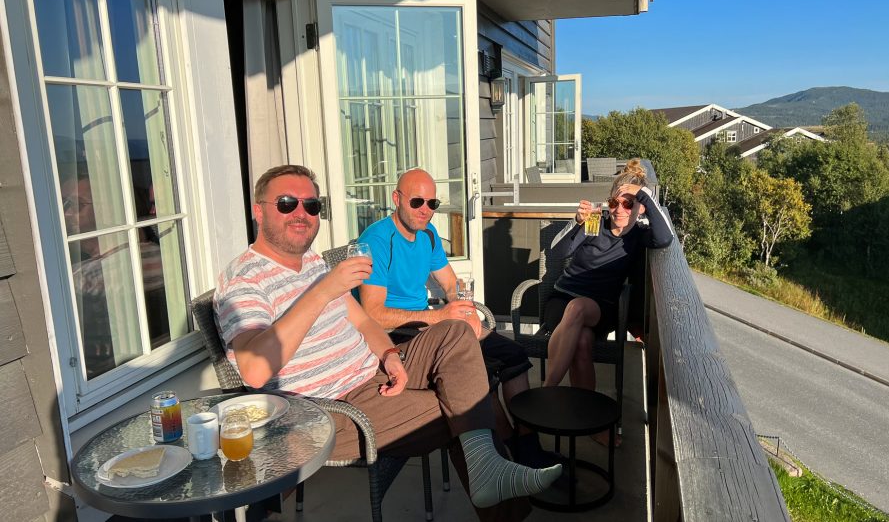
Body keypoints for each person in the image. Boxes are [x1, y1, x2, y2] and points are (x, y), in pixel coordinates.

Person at [213, 165, 560, 519]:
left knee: (456, 333)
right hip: (330, 407)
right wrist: (323, 291)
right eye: (287, 203)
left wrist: (390, 354)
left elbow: (362, 320)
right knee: (465, 404)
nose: (302, 214)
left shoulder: (312, 263)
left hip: (374, 371)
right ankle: (503, 494)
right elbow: (254, 371)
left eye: (311, 206)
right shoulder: (244, 282)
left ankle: (495, 468)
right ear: (258, 210)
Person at [356, 168, 557, 468]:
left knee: (514, 356)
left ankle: (527, 447)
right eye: (417, 202)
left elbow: (451, 284)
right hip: (398, 337)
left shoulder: (428, 235)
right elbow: (373, 314)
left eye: (432, 204)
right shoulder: (377, 240)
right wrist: (438, 317)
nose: (425, 211)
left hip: (430, 324)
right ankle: (508, 456)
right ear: (396, 199)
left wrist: (464, 308)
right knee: (481, 376)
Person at [542, 159, 674, 442]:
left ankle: (546, 392)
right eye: (615, 203)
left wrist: (645, 197)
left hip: (600, 307)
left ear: (639, 207)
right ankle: (590, 423)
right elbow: (558, 251)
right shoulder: (594, 222)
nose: (619, 210)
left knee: (578, 310)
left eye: (629, 204)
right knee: (581, 342)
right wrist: (577, 222)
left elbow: (665, 239)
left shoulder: (638, 236)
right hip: (562, 297)